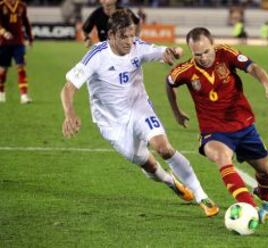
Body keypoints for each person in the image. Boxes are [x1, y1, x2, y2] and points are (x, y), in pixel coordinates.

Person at [61, 11, 219, 217]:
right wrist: (70, 113)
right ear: (110, 35)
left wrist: (171, 52)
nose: (129, 41)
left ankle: (201, 196)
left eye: (132, 35)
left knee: (163, 148)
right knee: (150, 164)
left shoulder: (138, 47)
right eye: (123, 37)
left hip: (139, 108)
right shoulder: (96, 55)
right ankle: (170, 181)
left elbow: (162, 52)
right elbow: (68, 87)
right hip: (111, 122)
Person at [166, 27, 268, 222]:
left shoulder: (226, 53)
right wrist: (176, 111)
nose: (203, 57)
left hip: (243, 124)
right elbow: (169, 82)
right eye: (197, 54)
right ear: (191, 52)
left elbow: (253, 67)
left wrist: (267, 83)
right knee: (222, 157)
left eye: (206, 51)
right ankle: (250, 208)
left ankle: (263, 196)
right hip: (214, 131)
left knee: (265, 172)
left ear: (212, 44)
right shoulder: (186, 70)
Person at [0, 0, 33, 104]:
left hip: (18, 42)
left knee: (21, 67)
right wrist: (4, 32)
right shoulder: (2, 5)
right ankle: (1, 93)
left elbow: (26, 22)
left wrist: (30, 38)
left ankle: (24, 95)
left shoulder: (22, 5)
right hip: (4, 43)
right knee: (2, 69)